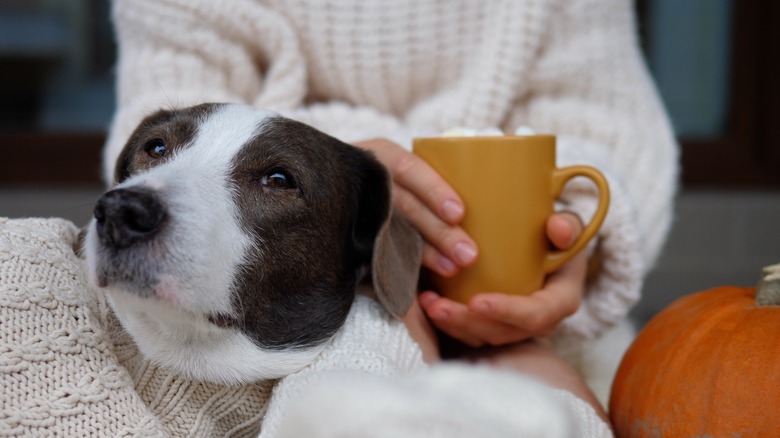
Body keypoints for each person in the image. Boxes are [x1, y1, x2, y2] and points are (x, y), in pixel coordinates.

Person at [101, 0, 677, 434]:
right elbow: (188, 102)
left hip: (496, 294)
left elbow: (609, 132)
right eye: (154, 151)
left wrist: (574, 233)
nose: (132, 199)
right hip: (318, 270)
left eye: (275, 181)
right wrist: (344, 175)